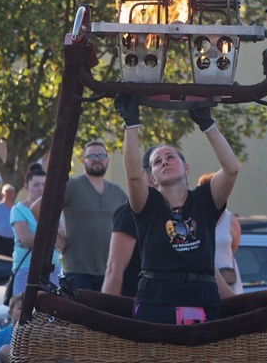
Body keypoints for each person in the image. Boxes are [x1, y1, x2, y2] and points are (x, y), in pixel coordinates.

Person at [115, 94, 240, 324]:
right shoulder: (148, 203)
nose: (164, 162)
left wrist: (208, 125)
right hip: (155, 301)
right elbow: (133, 175)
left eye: (170, 157)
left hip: (201, 300)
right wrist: (131, 122)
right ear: (152, 176)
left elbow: (231, 168)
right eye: (157, 161)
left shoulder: (205, 199)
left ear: (186, 168)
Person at [61, 140, 127, 291]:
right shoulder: (72, 185)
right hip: (77, 272)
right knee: (79, 315)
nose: (97, 159)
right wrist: (57, 236)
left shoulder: (117, 192)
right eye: (91, 156)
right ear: (83, 161)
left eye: (102, 155)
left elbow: (134, 220)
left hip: (110, 272)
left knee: (104, 314)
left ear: (107, 160)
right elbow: (40, 209)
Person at [102, 147, 156, 297]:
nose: (164, 166)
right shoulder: (129, 212)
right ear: (145, 174)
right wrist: (107, 313)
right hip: (136, 300)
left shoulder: (179, 212)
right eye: (156, 164)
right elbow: (114, 268)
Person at [10, 164, 61, 295]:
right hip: (26, 267)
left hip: (52, 267)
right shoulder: (18, 209)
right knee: (23, 309)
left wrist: (37, 240)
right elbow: (26, 239)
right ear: (26, 186)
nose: (41, 189)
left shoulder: (55, 210)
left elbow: (62, 242)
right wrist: (51, 238)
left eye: (44, 184)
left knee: (53, 310)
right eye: (36, 185)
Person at [198, 172, 243, 295]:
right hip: (203, 277)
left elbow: (234, 246)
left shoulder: (230, 219)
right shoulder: (196, 219)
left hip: (227, 275)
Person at [0, 293, 22, 363]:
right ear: (10, 313)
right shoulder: (1, 334)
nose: (24, 311)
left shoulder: (35, 333)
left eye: (27, 308)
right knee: (4, 350)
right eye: (20, 308)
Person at [0, 185, 16, 257]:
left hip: (13, 241)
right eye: (7, 192)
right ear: (2, 194)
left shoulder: (17, 208)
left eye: (12, 192)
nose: (10, 194)